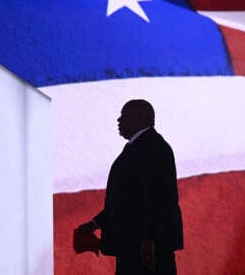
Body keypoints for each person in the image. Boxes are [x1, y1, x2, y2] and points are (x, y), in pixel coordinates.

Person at [73, 99, 184, 275]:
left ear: (139, 118)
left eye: (124, 116)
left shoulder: (154, 148)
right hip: (134, 249)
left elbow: (158, 198)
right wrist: (94, 224)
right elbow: (127, 201)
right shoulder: (140, 147)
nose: (119, 121)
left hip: (147, 253)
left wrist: (150, 240)